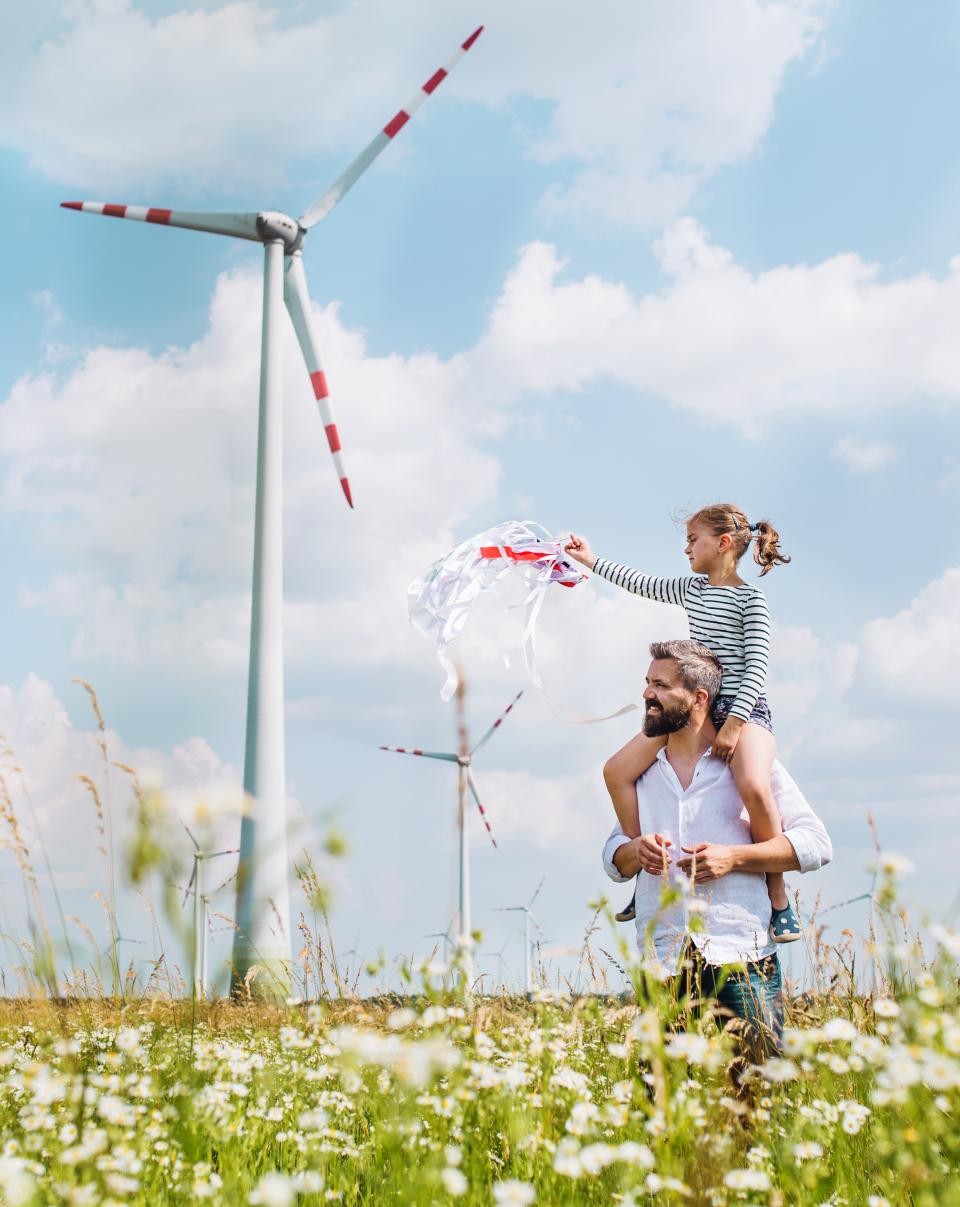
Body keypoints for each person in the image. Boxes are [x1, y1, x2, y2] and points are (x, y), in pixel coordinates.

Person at [566, 503, 801, 943]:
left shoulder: (752, 600)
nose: (687, 549)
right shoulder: (691, 590)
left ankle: (777, 891)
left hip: (744, 708)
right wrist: (589, 560)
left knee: (752, 782)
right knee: (617, 771)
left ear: (724, 543)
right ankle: (643, 872)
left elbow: (756, 667)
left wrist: (733, 723)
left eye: (694, 540)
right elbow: (640, 582)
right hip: (694, 706)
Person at [601, 640, 832, 1066]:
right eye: (647, 683)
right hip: (664, 954)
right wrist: (635, 851)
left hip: (742, 949)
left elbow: (816, 844)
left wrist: (734, 858)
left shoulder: (749, 767)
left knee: (759, 1085)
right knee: (663, 1095)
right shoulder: (642, 774)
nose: (647, 694)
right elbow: (614, 857)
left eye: (660, 685)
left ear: (699, 698)